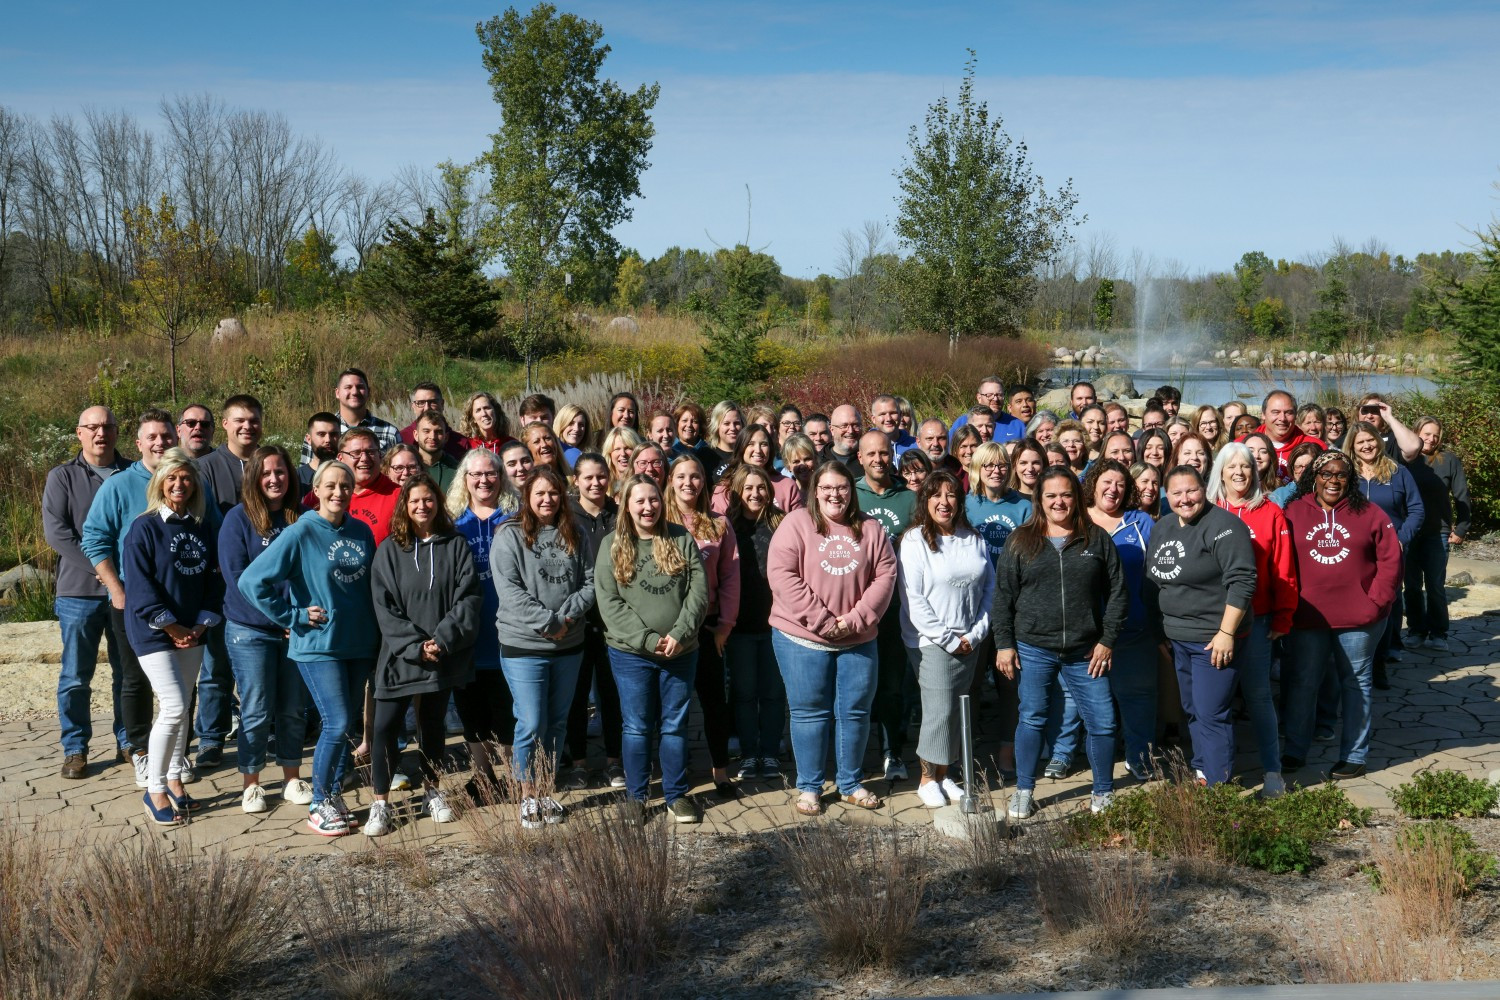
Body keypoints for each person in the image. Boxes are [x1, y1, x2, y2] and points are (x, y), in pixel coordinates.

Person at [82, 410, 222, 789]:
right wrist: (120, 592)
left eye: (165, 436)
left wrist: (196, 622)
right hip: (136, 604)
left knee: (179, 695)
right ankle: (142, 755)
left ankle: (175, 764)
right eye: (152, 437)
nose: (159, 443)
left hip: (187, 611)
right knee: (134, 681)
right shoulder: (118, 487)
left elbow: (212, 554)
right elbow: (94, 540)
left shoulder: (194, 495)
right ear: (139, 443)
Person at [240, 460, 379, 836]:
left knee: (346, 725)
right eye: (330, 486)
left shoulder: (361, 531)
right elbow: (252, 582)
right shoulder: (301, 531)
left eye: (345, 486)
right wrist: (293, 616)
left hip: (360, 644)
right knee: (334, 723)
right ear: (315, 490)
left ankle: (334, 797)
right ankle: (319, 802)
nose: (338, 493)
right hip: (320, 645)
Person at [993, 466, 1126, 818]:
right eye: (1050, 495)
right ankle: (1023, 790)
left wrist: (1107, 639)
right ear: (1039, 499)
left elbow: (1117, 594)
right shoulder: (1021, 540)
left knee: (1103, 722)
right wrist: (1004, 644)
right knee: (1032, 718)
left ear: (1077, 497)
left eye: (1066, 494)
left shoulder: (1096, 539)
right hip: (1033, 648)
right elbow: (1003, 597)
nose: (1059, 502)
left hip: (1086, 651)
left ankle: (1103, 792)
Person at [768, 460, 897, 816]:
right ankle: (809, 786)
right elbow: (782, 576)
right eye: (826, 488)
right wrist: (823, 621)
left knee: (854, 711)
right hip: (801, 638)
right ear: (815, 491)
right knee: (809, 712)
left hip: (857, 638)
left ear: (851, 491)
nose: (834, 494)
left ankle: (850, 782)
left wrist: (855, 619)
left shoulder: (870, 528)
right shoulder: (796, 524)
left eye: (841, 487)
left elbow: (885, 575)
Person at [364, 475, 482, 835]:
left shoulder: (456, 545)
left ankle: (433, 791)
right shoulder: (389, 550)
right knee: (385, 725)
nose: (422, 506)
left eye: (428, 499)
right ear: (404, 505)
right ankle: (380, 803)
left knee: (432, 725)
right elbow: (384, 606)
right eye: (414, 500)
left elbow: (469, 598)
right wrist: (415, 645)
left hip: (441, 655)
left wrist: (441, 641)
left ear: (438, 502)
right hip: (400, 655)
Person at [1281, 451, 1401, 779]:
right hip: (1307, 618)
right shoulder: (1293, 512)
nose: (1333, 480)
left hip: (1360, 621)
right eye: (1326, 474)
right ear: (1314, 477)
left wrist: (1376, 602)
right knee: (1303, 682)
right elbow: (1279, 559)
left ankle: (1354, 755)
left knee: (1357, 684)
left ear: (1350, 480)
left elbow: (1391, 560)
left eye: (1341, 475)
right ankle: (1294, 750)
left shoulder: (1371, 513)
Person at [596, 475, 709, 823]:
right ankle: (637, 797)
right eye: (640, 501)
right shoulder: (612, 544)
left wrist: (680, 633)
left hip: (681, 650)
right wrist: (646, 639)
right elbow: (609, 602)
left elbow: (698, 591)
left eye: (654, 499)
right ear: (626, 505)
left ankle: (677, 795)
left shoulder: (679, 537)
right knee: (636, 726)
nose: (648, 507)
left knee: (674, 724)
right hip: (631, 654)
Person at [487, 466, 596, 828]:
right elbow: (510, 590)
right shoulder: (509, 536)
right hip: (524, 645)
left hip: (569, 644)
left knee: (558, 721)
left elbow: (591, 582)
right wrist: (550, 623)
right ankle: (527, 793)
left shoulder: (576, 532)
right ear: (526, 498)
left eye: (553, 493)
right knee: (532, 721)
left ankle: (546, 788)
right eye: (539, 494)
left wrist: (567, 617)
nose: (547, 500)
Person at [123, 448, 223, 826]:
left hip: (193, 629)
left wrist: (200, 624)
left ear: (195, 484)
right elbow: (139, 585)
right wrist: (171, 626)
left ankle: (176, 782)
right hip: (153, 631)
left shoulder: (202, 526)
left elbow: (214, 579)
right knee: (175, 706)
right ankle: (154, 790)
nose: (180, 484)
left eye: (186, 478)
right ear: (160, 483)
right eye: (172, 478)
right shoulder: (144, 527)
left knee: (183, 711)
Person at [1144, 466, 1256, 787]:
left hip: (1213, 639)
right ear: (1167, 496)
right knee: (1192, 708)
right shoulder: (1163, 527)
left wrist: (1226, 633)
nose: (1185, 499)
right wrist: (1158, 633)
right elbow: (1152, 582)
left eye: (1191, 490)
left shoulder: (1225, 527)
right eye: (1176, 493)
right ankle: (1202, 770)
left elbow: (1242, 581)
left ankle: (1217, 785)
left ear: (1204, 488)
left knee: (1211, 712)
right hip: (1177, 636)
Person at [218, 445, 313, 813]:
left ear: (290, 476)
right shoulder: (238, 520)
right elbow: (239, 579)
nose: (274, 479)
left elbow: (308, 574)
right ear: (254, 478)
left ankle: (291, 778)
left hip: (295, 629)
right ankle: (252, 783)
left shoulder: (302, 518)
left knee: (292, 708)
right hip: (250, 630)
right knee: (256, 709)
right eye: (266, 473)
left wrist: (297, 618)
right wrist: (286, 617)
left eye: (280, 472)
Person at [898, 471, 994, 808]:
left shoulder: (974, 538)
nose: (944, 502)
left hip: (971, 639)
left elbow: (990, 591)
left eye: (951, 494)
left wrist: (975, 634)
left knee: (957, 711)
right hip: (931, 641)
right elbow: (914, 600)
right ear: (924, 501)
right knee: (938, 710)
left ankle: (943, 774)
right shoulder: (914, 542)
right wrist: (951, 640)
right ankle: (925, 779)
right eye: (936, 495)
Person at [44, 404, 130, 779]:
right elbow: (58, 534)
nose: (101, 433)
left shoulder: (135, 472)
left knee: (127, 673)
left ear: (116, 431)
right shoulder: (62, 476)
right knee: (76, 675)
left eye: (107, 426)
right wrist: (102, 570)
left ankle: (129, 741)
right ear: (79, 433)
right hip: (79, 592)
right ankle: (75, 748)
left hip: (128, 591)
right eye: (92, 427)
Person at [1208, 442, 1297, 798]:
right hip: (1212, 622)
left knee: (1258, 696)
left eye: (1246, 466)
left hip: (1257, 621)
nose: (1240, 473)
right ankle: (1217, 772)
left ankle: (1273, 772)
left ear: (1255, 471)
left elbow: (1284, 571)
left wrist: (1284, 616)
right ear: (1221, 471)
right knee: (1217, 700)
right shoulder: (1209, 509)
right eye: (1232, 467)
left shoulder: (1270, 513)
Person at [665, 454, 741, 797]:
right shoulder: (658, 520)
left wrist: (725, 623)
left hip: (708, 626)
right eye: (681, 476)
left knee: (713, 701)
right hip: (668, 626)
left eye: (695, 476)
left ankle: (720, 771)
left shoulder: (719, 524)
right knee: (673, 705)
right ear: (670, 480)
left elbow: (730, 577)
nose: (688, 483)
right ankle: (674, 773)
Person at [448, 447, 517, 798]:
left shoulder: (515, 518)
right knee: (471, 708)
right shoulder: (453, 524)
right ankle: (483, 775)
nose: (483, 480)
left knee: (507, 708)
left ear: (501, 477)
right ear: (465, 480)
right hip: (469, 635)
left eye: (490, 473)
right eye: (475, 474)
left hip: (509, 632)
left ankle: (515, 773)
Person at [1083, 459, 1157, 780]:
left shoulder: (1140, 522)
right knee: (1092, 703)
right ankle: (1087, 763)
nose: (1113, 489)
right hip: (1087, 631)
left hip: (1134, 628)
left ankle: (1139, 758)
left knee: (1138, 697)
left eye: (1121, 485)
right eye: (1107, 482)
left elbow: (1156, 574)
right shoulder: (1078, 520)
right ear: (1093, 484)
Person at [855, 431, 918, 781]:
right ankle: (853, 755)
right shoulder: (848, 494)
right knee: (857, 687)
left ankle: (892, 753)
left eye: (884, 453)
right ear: (861, 458)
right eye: (871, 454)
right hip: (855, 607)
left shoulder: (909, 499)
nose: (878, 459)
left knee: (892, 686)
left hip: (896, 608)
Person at [1346, 420, 1424, 688]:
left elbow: (1416, 510)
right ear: (1352, 448)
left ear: (1379, 441)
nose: (1367, 445)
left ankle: (1379, 661)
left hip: (1390, 552)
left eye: (1370, 440)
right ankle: (1357, 659)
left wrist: (1401, 539)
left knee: (1386, 605)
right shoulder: (1345, 475)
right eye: (1360, 442)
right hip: (1355, 553)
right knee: (1357, 603)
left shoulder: (1398, 472)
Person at [564, 453, 624, 789]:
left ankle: (615, 761)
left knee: (612, 692)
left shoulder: (619, 514)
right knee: (576, 695)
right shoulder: (565, 517)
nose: (596, 483)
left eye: (601, 476)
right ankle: (579, 763)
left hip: (613, 619)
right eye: (588, 477)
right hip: (577, 618)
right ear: (576, 480)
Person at [724, 464, 786, 781]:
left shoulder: (782, 524)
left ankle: (772, 753)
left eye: (760, 487)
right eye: (748, 488)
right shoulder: (728, 527)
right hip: (741, 627)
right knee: (745, 693)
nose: (755, 494)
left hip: (777, 625)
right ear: (737, 491)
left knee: (774, 693)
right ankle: (749, 754)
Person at [1405, 417, 1469, 651]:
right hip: (1409, 532)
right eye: (1426, 433)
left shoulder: (1448, 460)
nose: (1431, 439)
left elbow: (1462, 494)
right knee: (1411, 585)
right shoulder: (1405, 460)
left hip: (1437, 532)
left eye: (1435, 435)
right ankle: (1416, 630)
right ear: (1416, 432)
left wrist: (1461, 527)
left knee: (1435, 585)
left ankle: (1438, 632)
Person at [300, 367, 398, 464]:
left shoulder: (389, 433)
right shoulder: (318, 433)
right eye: (348, 387)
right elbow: (307, 474)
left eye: (360, 387)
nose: (355, 392)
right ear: (337, 393)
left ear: (368, 392)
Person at [710, 423, 803, 514]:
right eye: (751, 444)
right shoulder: (725, 488)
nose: (758, 450)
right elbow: (719, 525)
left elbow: (797, 524)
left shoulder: (787, 486)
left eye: (763, 444)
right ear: (741, 448)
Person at [965, 442, 1030, 565]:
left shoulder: (1024, 507)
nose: (996, 471)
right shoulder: (965, 506)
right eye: (989, 465)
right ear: (977, 468)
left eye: (1002, 465)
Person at [331, 429, 399, 545]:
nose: (364, 459)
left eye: (371, 452)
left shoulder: (400, 496)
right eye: (356, 453)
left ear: (380, 456)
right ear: (340, 458)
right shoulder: (325, 495)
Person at [197, 394, 263, 513]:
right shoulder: (204, 468)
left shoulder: (274, 465)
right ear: (225, 423)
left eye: (254, 421)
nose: (247, 427)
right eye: (239, 421)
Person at [1257, 390, 1324, 479]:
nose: (1282, 418)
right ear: (1263, 414)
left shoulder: (1317, 446)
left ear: (1296, 415)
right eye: (1275, 412)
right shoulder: (1243, 444)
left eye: (1288, 413)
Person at [400, 382, 468, 460]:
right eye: (421, 403)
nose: (427, 408)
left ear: (442, 404)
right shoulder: (402, 439)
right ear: (413, 406)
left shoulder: (461, 443)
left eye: (432, 402)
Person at [1354, 394, 1421, 462]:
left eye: (1375, 411)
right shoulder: (1348, 438)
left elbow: (1413, 447)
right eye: (1365, 411)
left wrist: (1388, 417)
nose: (1369, 416)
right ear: (1357, 414)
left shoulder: (1394, 439)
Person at [413, 411, 460, 492]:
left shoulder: (457, 470)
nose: (432, 437)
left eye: (438, 432)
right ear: (416, 435)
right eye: (426, 431)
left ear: (446, 437)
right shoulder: (406, 468)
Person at [1268, 441, 1324, 508]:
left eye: (1308, 467)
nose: (1303, 471)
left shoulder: (1326, 493)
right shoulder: (1279, 496)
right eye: (1298, 467)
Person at [461, 391, 515, 455]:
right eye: (478, 410)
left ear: (495, 411)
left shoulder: (511, 444)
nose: (484, 414)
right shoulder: (467, 446)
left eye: (487, 408)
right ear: (473, 419)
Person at [299, 412, 341, 492]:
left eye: (333, 434)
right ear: (308, 439)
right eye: (321, 434)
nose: (328, 440)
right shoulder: (296, 478)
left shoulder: (348, 475)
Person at [602, 426, 646, 494]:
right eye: (617, 449)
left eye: (627, 448)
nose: (623, 454)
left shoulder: (645, 482)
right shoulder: (602, 484)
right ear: (609, 453)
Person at [671, 402, 716, 466]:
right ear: (677, 423)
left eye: (694, 421)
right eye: (684, 420)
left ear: (701, 426)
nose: (689, 425)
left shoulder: (710, 452)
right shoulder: (669, 450)